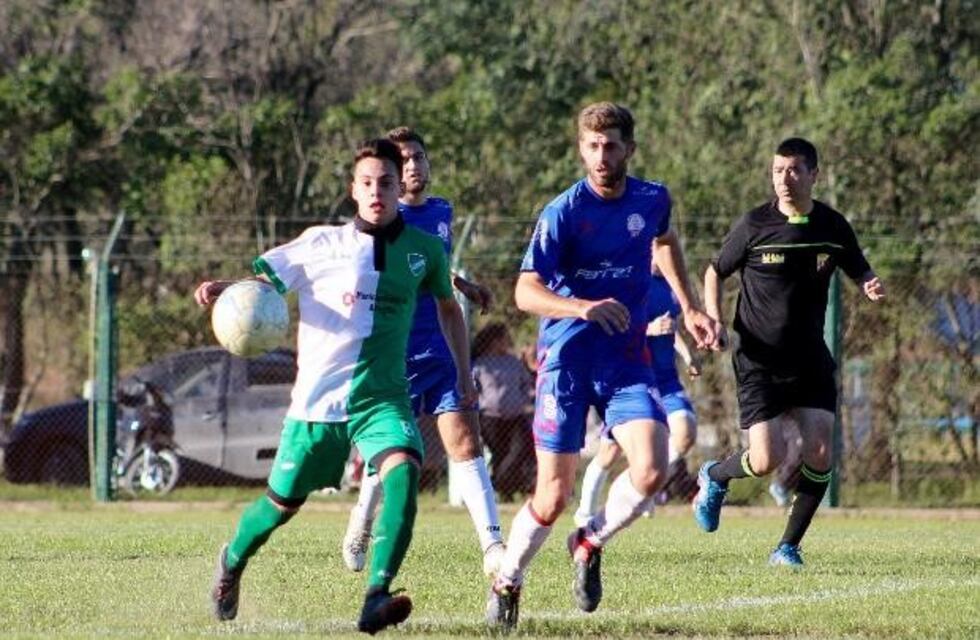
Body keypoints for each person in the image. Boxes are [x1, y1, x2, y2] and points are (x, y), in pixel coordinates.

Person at [199, 138, 477, 634]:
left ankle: (376, 594)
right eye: (367, 183)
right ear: (353, 190)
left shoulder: (424, 251)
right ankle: (232, 562)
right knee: (278, 508)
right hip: (317, 404)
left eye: (386, 183)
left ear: (398, 188)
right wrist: (229, 290)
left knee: (404, 473)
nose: (377, 192)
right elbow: (266, 283)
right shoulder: (320, 244)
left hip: (383, 398)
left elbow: (449, 309)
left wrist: (463, 372)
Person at [485, 102, 719, 630]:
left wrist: (689, 307)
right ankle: (507, 579)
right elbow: (525, 291)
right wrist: (582, 307)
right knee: (552, 494)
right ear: (581, 149)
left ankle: (589, 540)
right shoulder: (563, 212)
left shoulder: (652, 199)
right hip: (567, 361)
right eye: (591, 146)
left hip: (625, 361)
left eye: (611, 145)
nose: (601, 155)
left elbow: (663, 241)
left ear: (629, 149)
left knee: (654, 466)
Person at [695, 137, 885, 567]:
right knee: (766, 459)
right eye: (778, 170)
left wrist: (869, 282)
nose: (785, 178)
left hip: (810, 357)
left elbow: (858, 265)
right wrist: (713, 317)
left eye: (794, 170)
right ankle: (715, 474)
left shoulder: (832, 226)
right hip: (758, 358)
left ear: (814, 175)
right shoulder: (754, 225)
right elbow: (714, 271)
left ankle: (787, 547)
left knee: (820, 450)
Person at [341, 127, 505, 579]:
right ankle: (362, 520)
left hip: (439, 349)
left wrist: (462, 284)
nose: (413, 165)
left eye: (418, 157)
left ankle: (492, 544)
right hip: (393, 354)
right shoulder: (378, 224)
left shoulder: (441, 211)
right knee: (392, 452)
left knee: (466, 443)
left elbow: (432, 267)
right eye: (404, 160)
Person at [574, 260, 702, 526]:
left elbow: (670, 325)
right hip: (634, 380)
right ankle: (585, 512)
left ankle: (641, 482)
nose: (660, 257)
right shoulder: (627, 280)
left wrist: (688, 355)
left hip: (666, 381)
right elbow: (613, 329)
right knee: (609, 454)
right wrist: (648, 330)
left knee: (685, 432)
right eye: (655, 249)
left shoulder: (671, 287)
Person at [471, 322, 535, 499]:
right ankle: (505, 493)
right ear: (494, 341)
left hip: (515, 416)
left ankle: (497, 482)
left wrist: (525, 400)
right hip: (489, 417)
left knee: (519, 449)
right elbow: (472, 389)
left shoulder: (513, 361)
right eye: (504, 338)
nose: (508, 341)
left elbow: (526, 384)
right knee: (499, 454)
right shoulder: (480, 364)